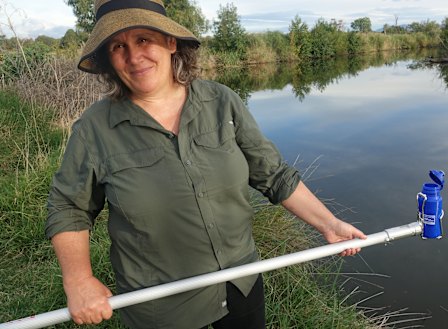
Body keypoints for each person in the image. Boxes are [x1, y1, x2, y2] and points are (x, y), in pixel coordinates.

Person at [45, 1, 366, 328]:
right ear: (109, 60)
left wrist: (329, 224)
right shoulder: (94, 129)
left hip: (241, 282)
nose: (133, 56)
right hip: (162, 308)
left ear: (171, 43)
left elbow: (273, 174)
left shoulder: (221, 101)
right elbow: (68, 206)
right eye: (118, 46)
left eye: (144, 39)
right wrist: (79, 281)